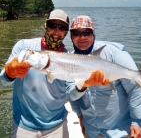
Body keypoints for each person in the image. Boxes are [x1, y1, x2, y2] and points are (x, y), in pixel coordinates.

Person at [0, 10, 106, 138]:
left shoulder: (70, 58)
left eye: (62, 27)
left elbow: (72, 94)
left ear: (67, 32)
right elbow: (4, 81)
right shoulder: (24, 47)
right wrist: (10, 71)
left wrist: (84, 84)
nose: (56, 31)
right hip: (23, 125)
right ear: (45, 26)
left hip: (57, 126)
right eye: (52, 25)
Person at [69, 15, 141, 138]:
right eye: (76, 33)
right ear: (71, 36)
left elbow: (134, 88)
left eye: (87, 32)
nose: (82, 37)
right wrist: (80, 116)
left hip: (122, 131)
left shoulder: (113, 52)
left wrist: (138, 122)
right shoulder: (68, 60)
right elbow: (72, 96)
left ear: (93, 34)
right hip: (92, 130)